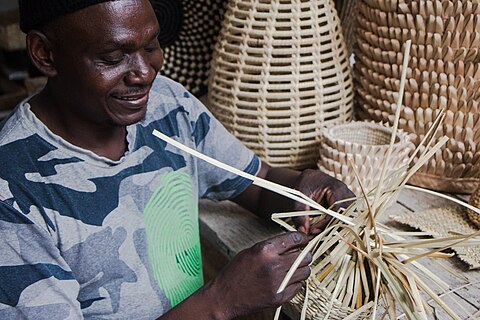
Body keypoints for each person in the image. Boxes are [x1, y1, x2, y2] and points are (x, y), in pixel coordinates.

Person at [0, 0, 354, 319]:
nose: (144, 73)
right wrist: (221, 301)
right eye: (112, 57)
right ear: (44, 53)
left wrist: (303, 188)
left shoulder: (169, 107)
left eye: (151, 46)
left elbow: (256, 183)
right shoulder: (12, 191)